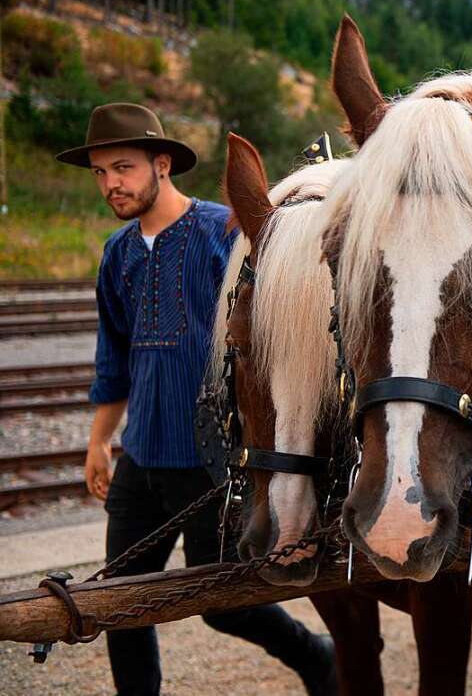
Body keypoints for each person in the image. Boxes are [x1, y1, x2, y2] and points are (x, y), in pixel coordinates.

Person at [57, 103, 338, 696]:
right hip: (141, 458)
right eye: (101, 173)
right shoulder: (117, 254)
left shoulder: (223, 232)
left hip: (214, 463)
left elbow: (265, 342)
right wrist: (98, 443)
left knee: (225, 603)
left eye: (123, 168)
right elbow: (116, 359)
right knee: (118, 605)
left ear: (162, 164)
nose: (112, 183)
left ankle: (318, 658)